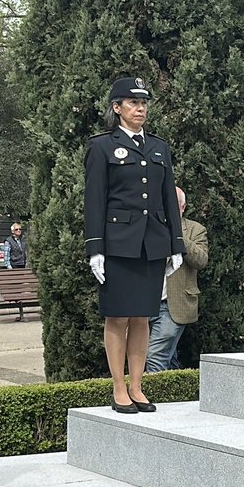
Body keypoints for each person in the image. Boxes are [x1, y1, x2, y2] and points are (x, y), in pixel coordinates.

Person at [85, 76, 185, 414]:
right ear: (117, 108)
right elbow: (95, 200)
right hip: (117, 244)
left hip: (151, 243)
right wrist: (95, 248)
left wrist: (176, 243)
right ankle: (118, 388)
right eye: (132, 103)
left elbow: (168, 199)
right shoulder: (101, 147)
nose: (140, 108)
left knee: (142, 316)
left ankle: (138, 386)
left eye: (143, 103)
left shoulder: (159, 147)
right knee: (117, 317)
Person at [146, 188, 209, 372]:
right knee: (167, 357)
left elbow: (201, 260)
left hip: (173, 305)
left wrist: (178, 235)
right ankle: (177, 395)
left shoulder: (195, 230)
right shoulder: (148, 227)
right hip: (145, 303)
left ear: (183, 207)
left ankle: (152, 398)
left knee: (155, 356)